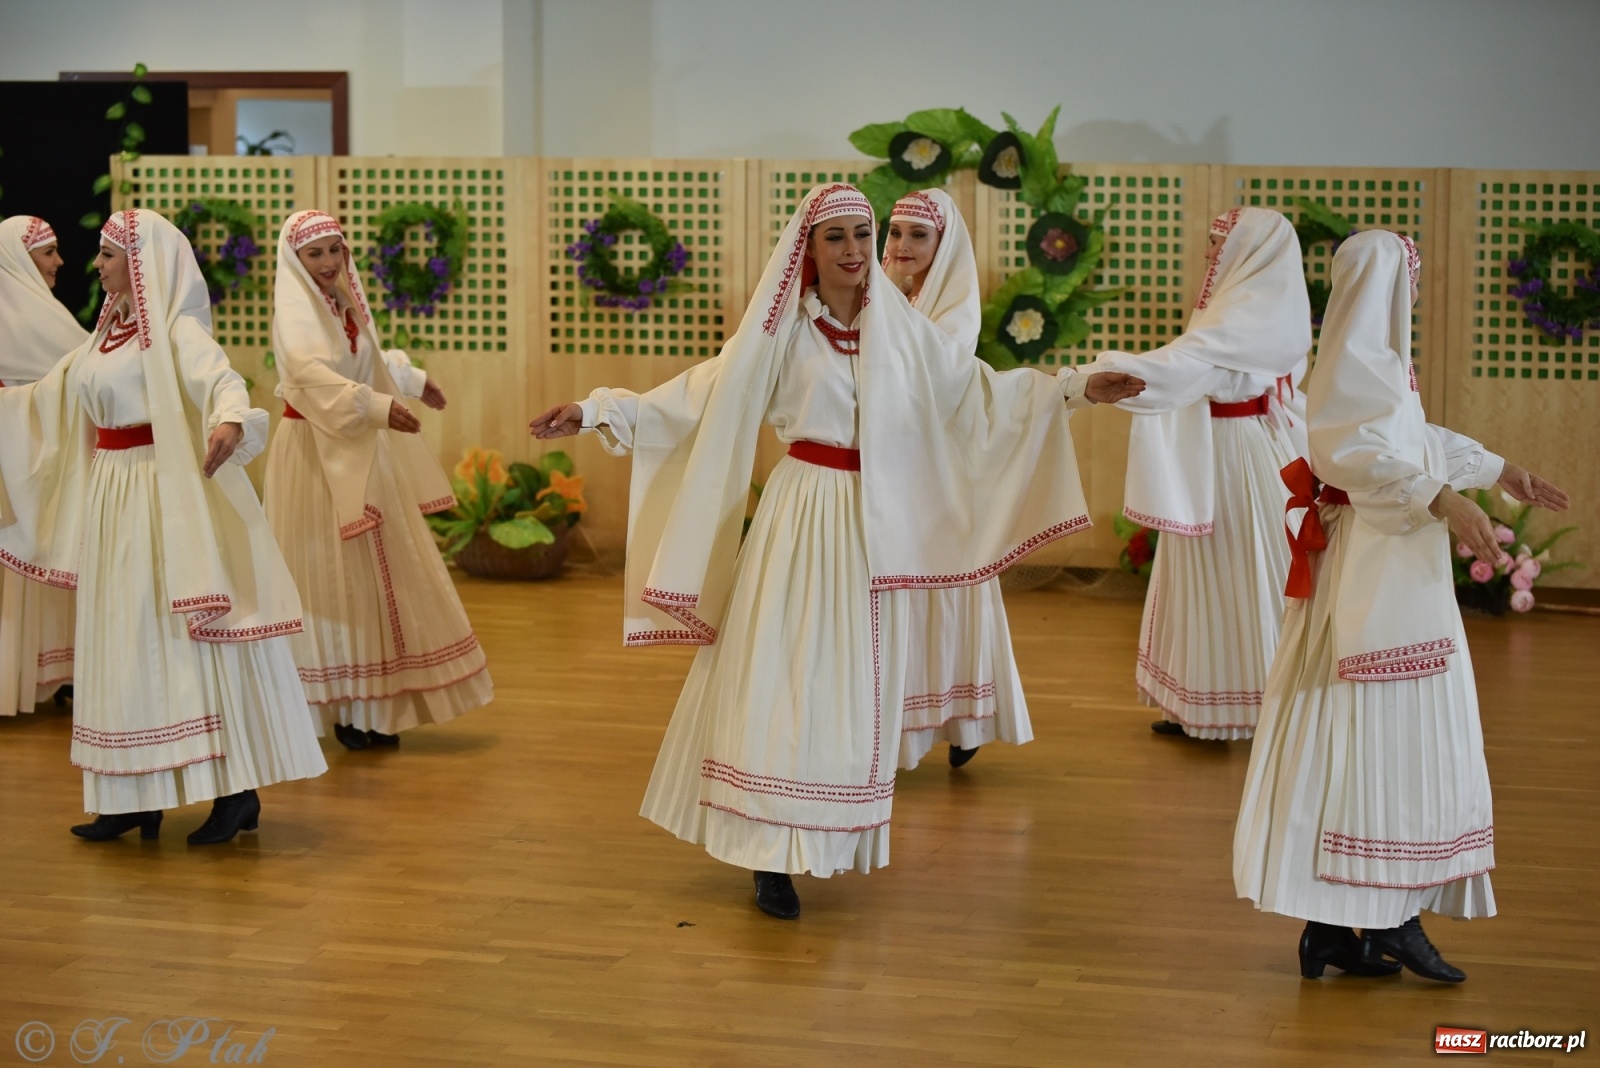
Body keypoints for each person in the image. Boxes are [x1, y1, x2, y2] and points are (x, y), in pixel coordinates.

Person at [531, 183, 1143, 920]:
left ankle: (820, 833)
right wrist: (596, 410)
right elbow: (696, 397)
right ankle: (766, 854)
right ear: (809, 250)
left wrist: (1077, 388)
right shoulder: (781, 332)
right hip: (801, 514)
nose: (856, 251)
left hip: (876, 527)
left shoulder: (905, 334)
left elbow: (982, 398)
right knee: (780, 671)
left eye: (864, 234)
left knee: (853, 682)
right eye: (838, 238)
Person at [1232, 230, 1569, 982]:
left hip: (1389, 578)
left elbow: (1410, 442)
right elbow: (1358, 460)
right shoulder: (1357, 366)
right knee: (1383, 735)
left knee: (1348, 738)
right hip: (1373, 585)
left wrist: (1496, 468)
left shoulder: (1375, 366)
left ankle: (1333, 928)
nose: (1412, 295)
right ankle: (1393, 918)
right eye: (1407, 281)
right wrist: (1444, 498)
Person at [0, 209, 327, 843]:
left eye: (107, 254)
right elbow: (51, 397)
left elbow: (224, 381)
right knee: (120, 639)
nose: (95, 265)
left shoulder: (175, 329)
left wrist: (230, 421)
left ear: (141, 262)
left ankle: (234, 793)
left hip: (161, 491)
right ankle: (130, 795)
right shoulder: (105, 336)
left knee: (180, 637)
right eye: (97, 254)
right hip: (112, 493)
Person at [1070, 207, 1311, 740]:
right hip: (1239, 448)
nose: (1209, 254)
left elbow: (1177, 371)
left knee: (1234, 572)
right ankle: (1206, 701)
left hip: (1229, 457)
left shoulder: (1242, 316)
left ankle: (1249, 706)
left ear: (1249, 253)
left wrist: (1089, 376)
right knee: (1224, 573)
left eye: (1219, 243)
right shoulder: (1267, 305)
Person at [263, 211, 491, 751]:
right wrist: (378, 405)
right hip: (317, 456)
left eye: (334, 251)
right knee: (332, 580)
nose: (326, 263)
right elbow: (310, 373)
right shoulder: (296, 316)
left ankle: (371, 705)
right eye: (314, 254)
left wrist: (410, 380)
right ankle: (341, 704)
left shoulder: (340, 305)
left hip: (360, 446)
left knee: (375, 577)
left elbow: (360, 360)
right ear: (295, 260)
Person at [881, 189, 1030, 769]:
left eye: (917, 236)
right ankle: (895, 734)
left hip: (937, 478)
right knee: (900, 609)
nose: (901, 246)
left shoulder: (954, 306)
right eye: (894, 233)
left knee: (944, 603)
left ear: (943, 244)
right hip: (889, 472)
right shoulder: (887, 295)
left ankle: (962, 720)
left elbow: (932, 372)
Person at [0, 216, 82, 714]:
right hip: (15, 454)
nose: (59, 262)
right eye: (48, 253)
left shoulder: (40, 309)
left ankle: (44, 674)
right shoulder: (22, 312)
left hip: (35, 451)